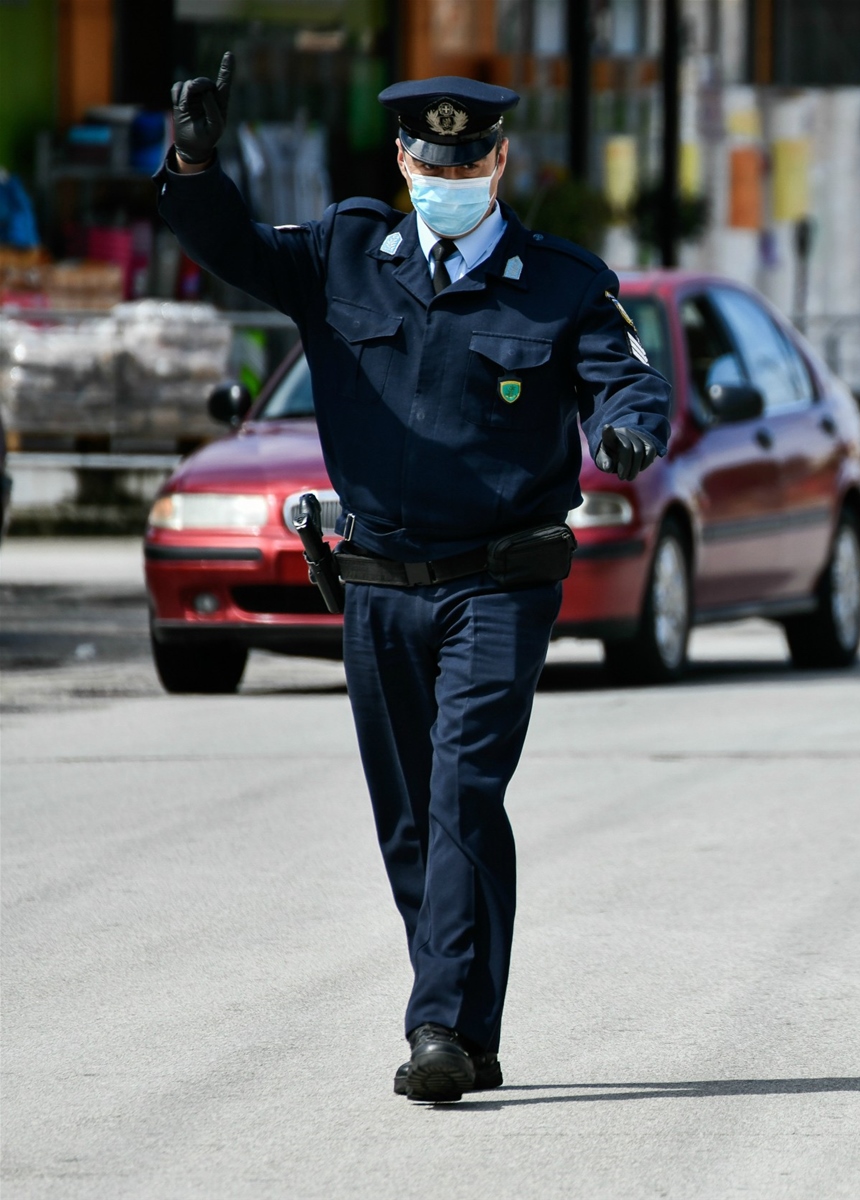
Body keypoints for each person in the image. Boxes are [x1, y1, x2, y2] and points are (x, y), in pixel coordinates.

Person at [157, 56, 671, 1102]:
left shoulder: (563, 282)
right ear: (402, 159)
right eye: (432, 156)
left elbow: (629, 385)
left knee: (462, 789)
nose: (451, 170)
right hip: (380, 582)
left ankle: (434, 1022)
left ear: (500, 160)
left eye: (471, 155)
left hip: (499, 579)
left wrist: (624, 435)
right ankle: (471, 1028)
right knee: (411, 817)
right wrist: (195, 160)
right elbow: (228, 246)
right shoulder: (346, 254)